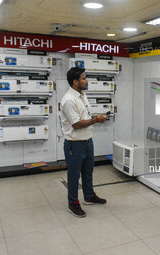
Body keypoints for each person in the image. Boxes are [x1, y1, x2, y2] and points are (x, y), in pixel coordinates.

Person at [61, 67, 107, 217]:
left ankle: (89, 196)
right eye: (84, 78)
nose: (87, 81)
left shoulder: (82, 95)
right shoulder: (69, 100)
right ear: (75, 82)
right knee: (74, 175)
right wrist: (96, 120)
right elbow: (76, 124)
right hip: (75, 144)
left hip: (87, 141)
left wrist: (95, 118)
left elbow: (84, 116)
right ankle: (73, 203)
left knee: (88, 172)